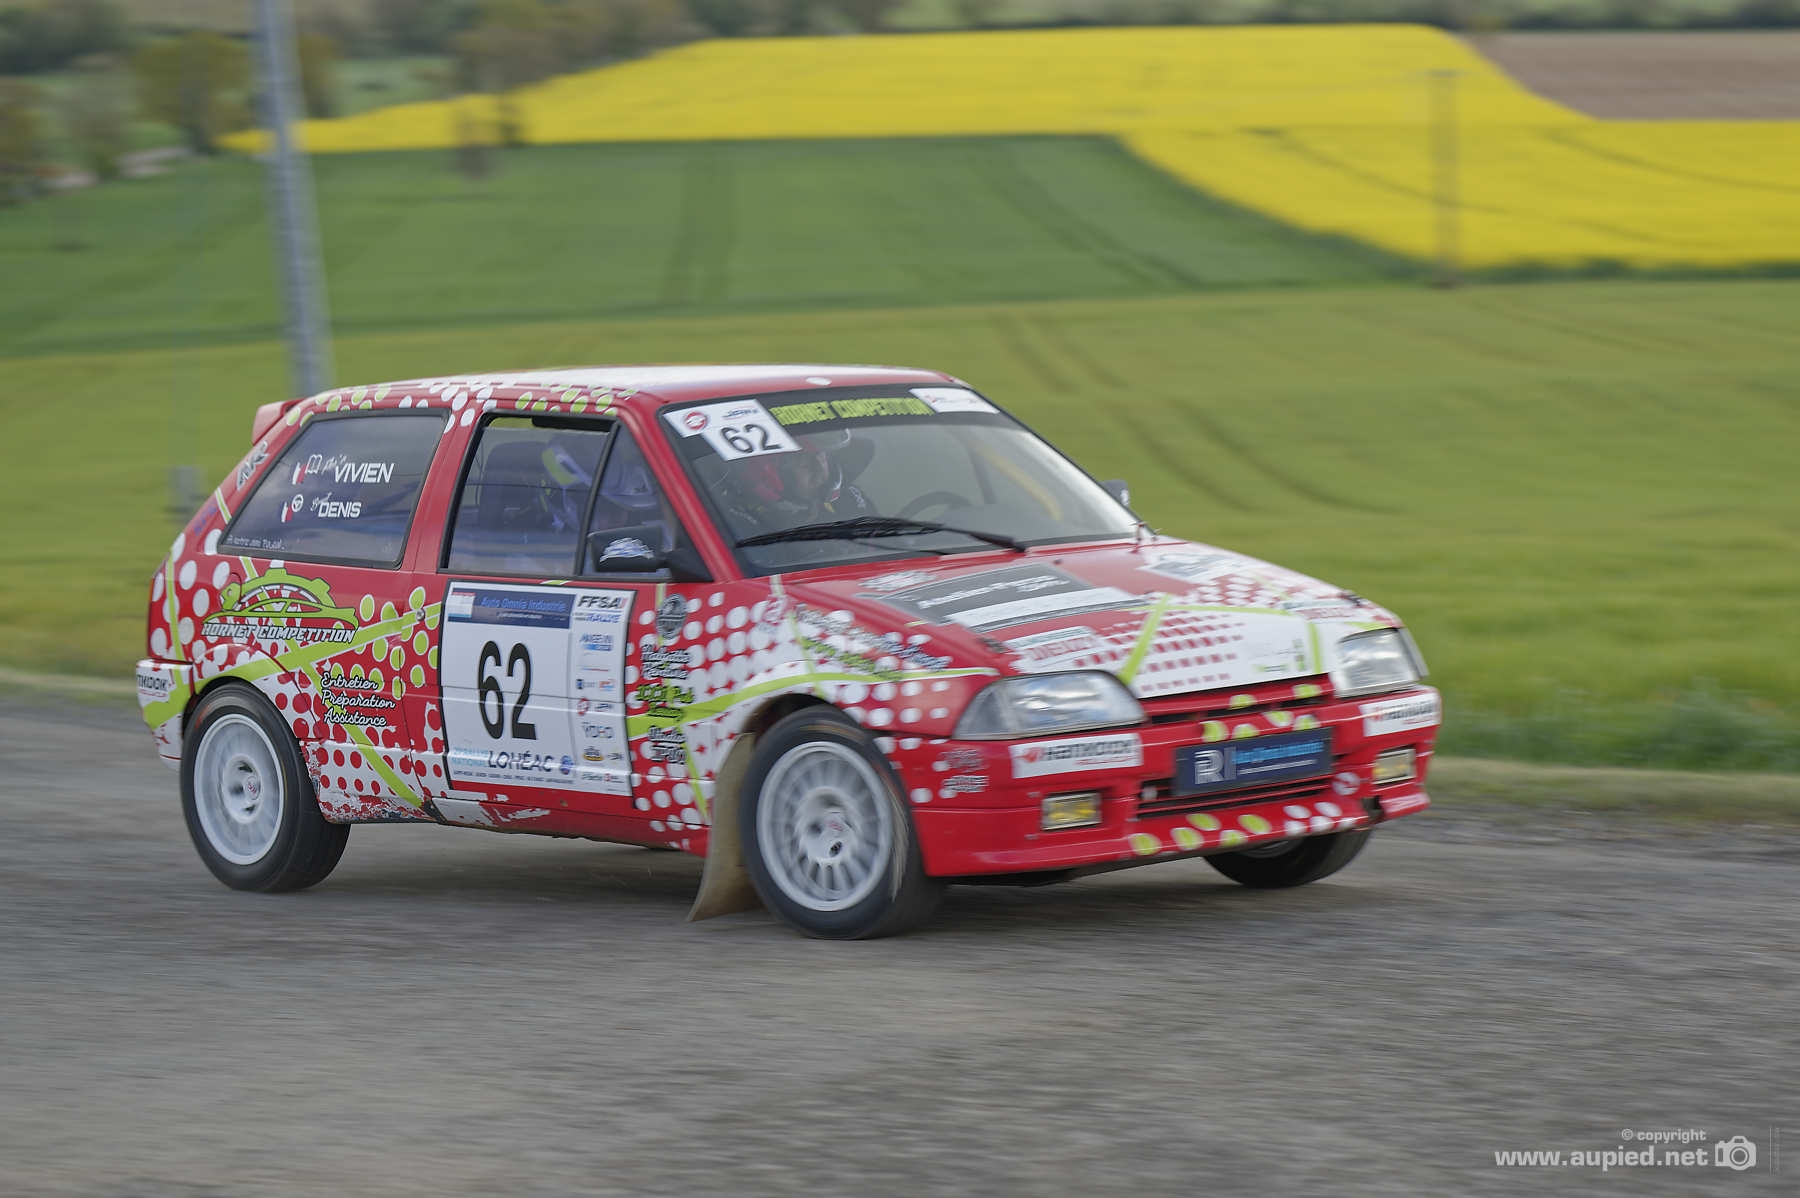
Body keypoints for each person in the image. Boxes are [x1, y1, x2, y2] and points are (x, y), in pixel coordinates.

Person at [721, 430, 874, 533]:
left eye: (822, 456)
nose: (819, 469)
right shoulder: (746, 527)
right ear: (771, 475)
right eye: (805, 462)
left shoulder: (850, 500)